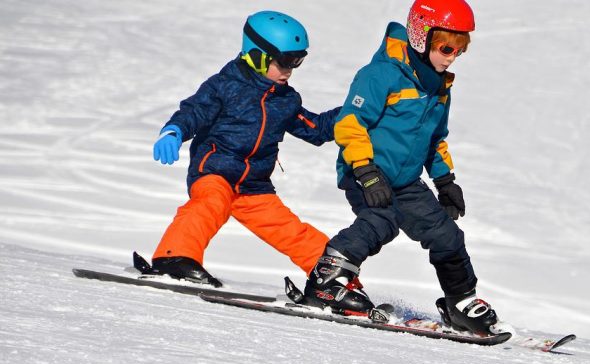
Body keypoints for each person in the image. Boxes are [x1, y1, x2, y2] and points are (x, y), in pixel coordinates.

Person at [302, 0, 500, 335]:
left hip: (406, 182)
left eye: (460, 49)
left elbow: (436, 139)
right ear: (421, 36)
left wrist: (445, 181)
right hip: (365, 172)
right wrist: (365, 170)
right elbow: (350, 124)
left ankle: (461, 302)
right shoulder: (381, 75)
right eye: (447, 47)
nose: (452, 56)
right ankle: (328, 280)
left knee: (447, 235)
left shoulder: (439, 87)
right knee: (381, 220)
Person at [149, 11, 339, 287]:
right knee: (208, 205)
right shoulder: (224, 86)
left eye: (298, 61)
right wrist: (174, 130)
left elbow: (316, 129)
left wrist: (359, 112)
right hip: (216, 172)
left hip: (254, 186)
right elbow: (195, 111)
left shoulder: (285, 99)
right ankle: (174, 257)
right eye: (285, 61)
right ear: (258, 54)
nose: (289, 70)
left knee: (291, 230)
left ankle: (334, 281)